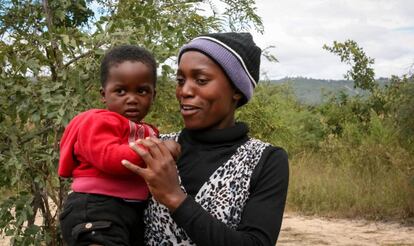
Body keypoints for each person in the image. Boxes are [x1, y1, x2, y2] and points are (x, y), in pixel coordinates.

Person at [122, 32, 289, 245]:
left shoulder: (266, 160)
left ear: (236, 90)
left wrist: (175, 198)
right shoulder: (156, 147)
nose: (185, 91)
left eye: (201, 80)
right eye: (180, 80)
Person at [58, 45, 180, 246]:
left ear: (153, 96)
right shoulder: (98, 122)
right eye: (120, 91)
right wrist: (158, 150)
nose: (131, 99)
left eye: (141, 91)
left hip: (129, 212)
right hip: (96, 207)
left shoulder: (148, 130)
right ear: (104, 94)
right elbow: (112, 159)